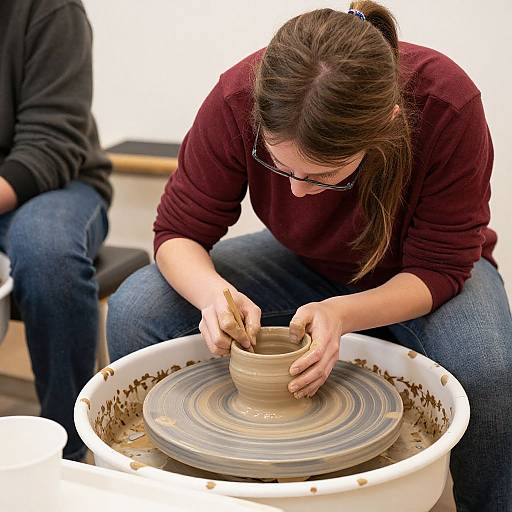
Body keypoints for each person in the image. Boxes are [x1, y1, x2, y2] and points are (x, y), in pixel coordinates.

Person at [107, 2, 511, 510]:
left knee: (486, 370)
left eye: (324, 174)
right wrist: (215, 295)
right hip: (307, 263)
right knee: (137, 308)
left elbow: (443, 265)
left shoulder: (445, 103)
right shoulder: (238, 98)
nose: (297, 194)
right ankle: (177, 495)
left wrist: (343, 313)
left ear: (386, 123)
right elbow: (177, 233)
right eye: (280, 166)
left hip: (422, 274)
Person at [0, 0, 111, 460]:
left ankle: (65, 455)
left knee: (48, 257)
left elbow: (50, 144)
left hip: (55, 184)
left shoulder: (49, 8)